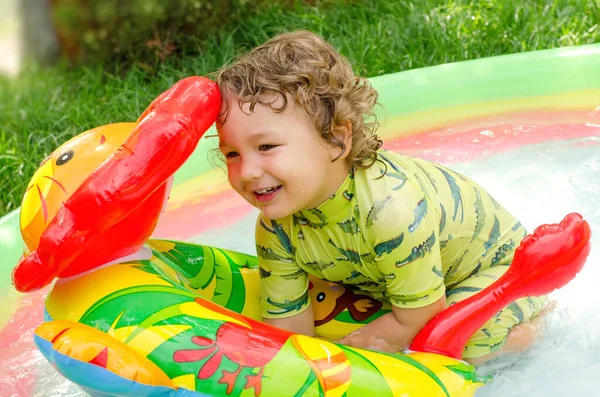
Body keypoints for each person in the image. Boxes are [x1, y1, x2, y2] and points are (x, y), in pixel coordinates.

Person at [214, 30, 548, 364]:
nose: (247, 172)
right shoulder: (276, 226)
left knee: (459, 346)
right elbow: (287, 325)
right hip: (399, 282)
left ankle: (530, 330)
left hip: (500, 272)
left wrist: (342, 359)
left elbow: (418, 318)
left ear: (335, 138)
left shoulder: (390, 212)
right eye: (231, 154)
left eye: (266, 147)